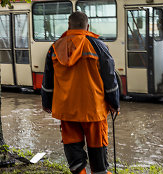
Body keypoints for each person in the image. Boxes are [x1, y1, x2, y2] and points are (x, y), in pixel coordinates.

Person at [41, 11, 120, 174]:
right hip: (93, 110)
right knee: (98, 153)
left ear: (69, 26)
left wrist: (47, 103)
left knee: (73, 150)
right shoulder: (98, 46)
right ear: (87, 26)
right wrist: (115, 104)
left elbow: (48, 80)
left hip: (66, 110)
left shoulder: (54, 48)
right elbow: (110, 78)